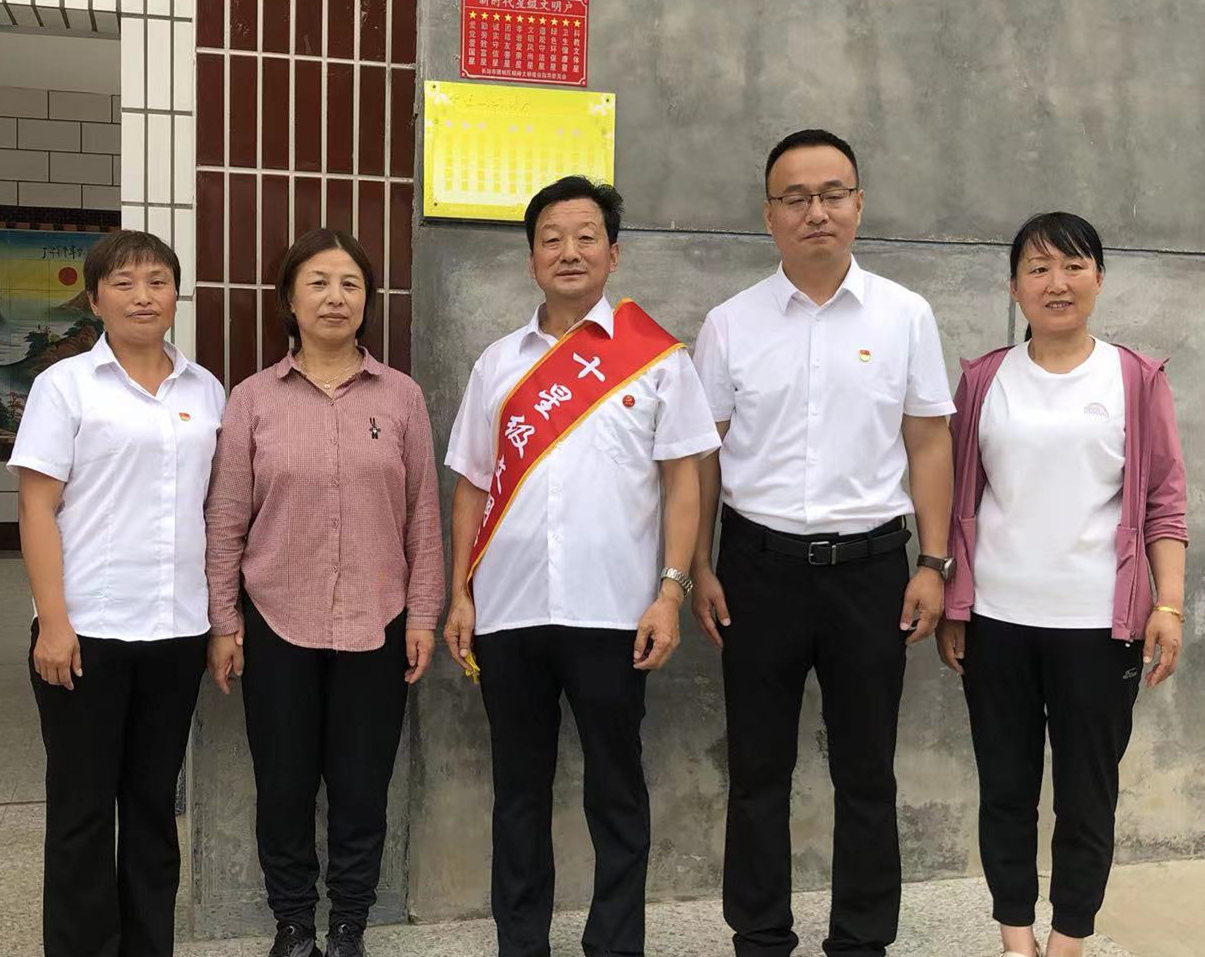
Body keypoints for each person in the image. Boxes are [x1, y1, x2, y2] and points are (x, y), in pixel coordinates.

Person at [690, 129, 956, 957]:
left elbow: (929, 443)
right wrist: (697, 563)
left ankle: (861, 941)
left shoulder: (905, 315)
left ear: (859, 205)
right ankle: (760, 936)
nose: (817, 212)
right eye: (796, 198)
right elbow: (702, 456)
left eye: (832, 194)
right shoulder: (730, 324)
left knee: (867, 771)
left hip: (871, 570)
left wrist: (933, 561)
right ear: (768, 215)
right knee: (757, 770)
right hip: (755, 569)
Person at [441, 176, 721, 957]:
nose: (569, 251)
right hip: (509, 611)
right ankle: (521, 944)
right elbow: (471, 484)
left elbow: (685, 480)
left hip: (614, 613)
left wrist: (671, 592)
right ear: (531, 257)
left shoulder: (656, 360)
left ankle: (615, 945)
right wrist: (459, 592)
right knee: (518, 794)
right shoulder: (497, 364)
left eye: (586, 236)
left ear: (614, 253)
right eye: (552, 238)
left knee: (616, 791)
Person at [936, 212, 1187, 957]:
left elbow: (1164, 501)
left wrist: (1168, 604)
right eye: (1038, 268)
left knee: (1086, 796)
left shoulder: (1134, 378)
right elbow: (956, 498)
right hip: (997, 620)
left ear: (1099, 279)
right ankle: (1016, 937)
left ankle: (1069, 938)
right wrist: (954, 604)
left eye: (1074, 266)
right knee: (1005, 789)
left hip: (1098, 626)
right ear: (1015, 286)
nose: (1057, 283)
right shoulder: (984, 379)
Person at [205, 229, 444, 957]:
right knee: (282, 784)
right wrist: (223, 621)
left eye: (350, 283)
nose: (335, 297)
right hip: (276, 616)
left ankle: (348, 924)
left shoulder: (400, 397)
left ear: (368, 300)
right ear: (288, 299)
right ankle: (291, 923)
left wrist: (423, 615)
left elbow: (423, 515)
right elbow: (227, 517)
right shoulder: (253, 399)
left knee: (361, 785)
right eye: (317, 282)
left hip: (378, 617)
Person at [9, 229, 226, 957]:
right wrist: (53, 621)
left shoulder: (205, 390)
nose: (143, 296)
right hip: (86, 630)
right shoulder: (65, 386)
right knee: (82, 810)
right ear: (95, 297)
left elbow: (214, 509)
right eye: (124, 282)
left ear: (176, 294)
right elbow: (36, 508)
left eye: (158, 281)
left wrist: (217, 621)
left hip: (175, 629)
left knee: (153, 806)